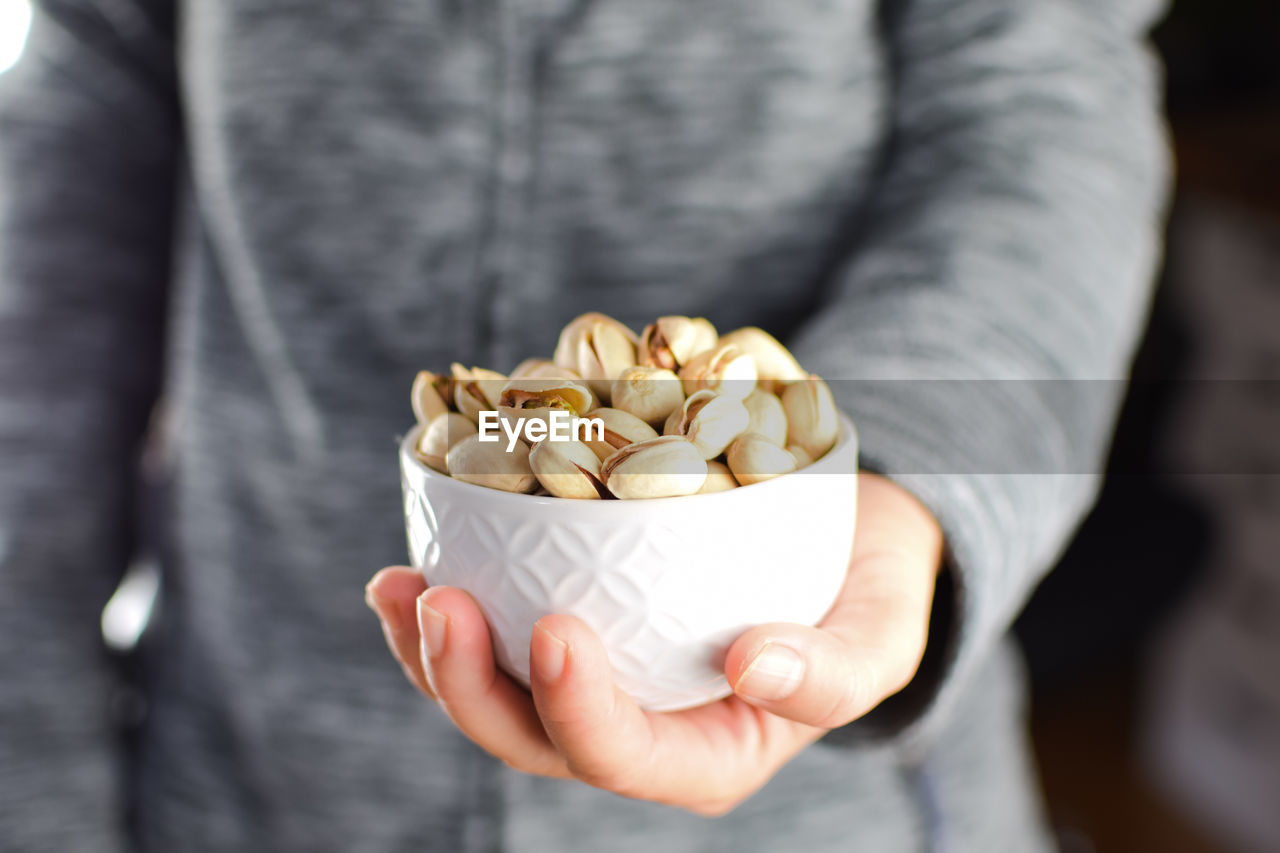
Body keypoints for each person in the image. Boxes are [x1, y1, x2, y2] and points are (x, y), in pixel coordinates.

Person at [0, 0, 1169, 850]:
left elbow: (1038, 106)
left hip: (833, 797)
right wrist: (34, 780)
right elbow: (62, 200)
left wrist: (899, 486)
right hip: (252, 778)